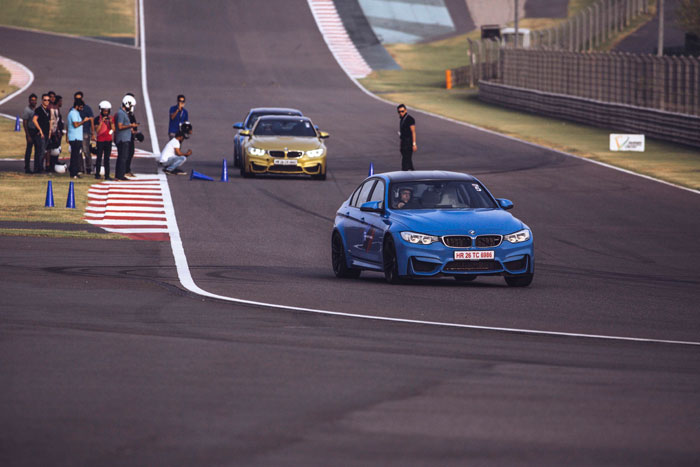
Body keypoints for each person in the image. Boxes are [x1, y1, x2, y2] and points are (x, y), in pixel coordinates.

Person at [114, 95, 138, 180]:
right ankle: (120, 175)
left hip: (125, 138)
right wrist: (130, 125)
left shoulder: (123, 113)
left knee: (123, 157)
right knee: (122, 157)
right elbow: (120, 126)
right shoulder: (121, 113)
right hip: (122, 139)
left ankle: (120, 174)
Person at [67, 98, 90, 179]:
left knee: (76, 156)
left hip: (77, 137)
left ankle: (75, 172)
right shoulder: (73, 113)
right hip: (75, 138)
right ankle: (73, 173)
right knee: (75, 156)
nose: (82, 109)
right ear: (76, 106)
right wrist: (84, 121)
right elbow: (75, 125)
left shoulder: (76, 113)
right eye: (81, 107)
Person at [74, 91, 95, 174]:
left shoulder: (87, 108)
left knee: (86, 150)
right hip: (76, 133)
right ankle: (80, 168)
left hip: (85, 132)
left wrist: (93, 133)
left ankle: (89, 168)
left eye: (79, 98)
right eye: (76, 99)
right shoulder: (74, 109)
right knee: (78, 151)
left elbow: (92, 120)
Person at [94, 100, 115, 180]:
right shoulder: (97, 119)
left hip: (108, 140)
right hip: (100, 141)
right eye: (104, 110)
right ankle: (97, 174)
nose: (106, 112)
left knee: (107, 159)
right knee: (99, 158)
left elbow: (113, 129)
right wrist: (101, 122)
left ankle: (107, 175)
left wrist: (111, 123)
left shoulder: (111, 118)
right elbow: (97, 130)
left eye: (107, 111)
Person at [31, 93, 52, 173]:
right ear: (42, 100)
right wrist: (40, 130)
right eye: (45, 100)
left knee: (43, 151)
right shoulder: (39, 110)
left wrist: (50, 132)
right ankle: (39, 168)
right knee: (41, 151)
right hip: (40, 134)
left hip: (47, 133)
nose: (47, 101)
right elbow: (34, 120)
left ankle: (39, 167)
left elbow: (49, 121)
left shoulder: (48, 110)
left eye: (48, 100)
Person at [46, 95, 65, 172]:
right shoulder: (51, 108)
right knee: (50, 149)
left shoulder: (57, 109)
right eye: (60, 101)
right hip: (52, 132)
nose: (61, 103)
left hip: (56, 132)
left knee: (56, 149)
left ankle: (53, 164)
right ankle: (49, 165)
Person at [397, 103, 417, 171]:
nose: (401, 113)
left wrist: (414, 144)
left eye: (402, 111)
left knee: (405, 161)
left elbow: (413, 132)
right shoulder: (402, 119)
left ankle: (405, 173)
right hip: (403, 143)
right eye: (399, 112)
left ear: (405, 110)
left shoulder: (410, 119)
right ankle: (412, 172)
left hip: (409, 143)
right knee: (408, 161)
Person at [21, 93, 37, 173]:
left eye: (34, 100)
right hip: (30, 131)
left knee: (38, 150)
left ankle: (37, 167)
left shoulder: (37, 109)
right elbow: (25, 123)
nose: (33, 102)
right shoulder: (27, 110)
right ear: (29, 101)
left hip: (36, 131)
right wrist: (28, 135)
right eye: (32, 100)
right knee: (29, 150)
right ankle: (27, 167)